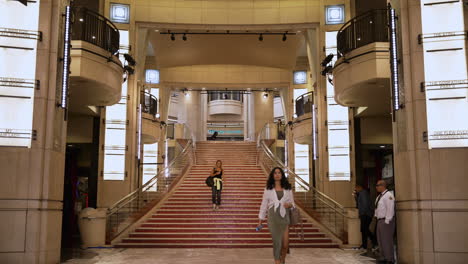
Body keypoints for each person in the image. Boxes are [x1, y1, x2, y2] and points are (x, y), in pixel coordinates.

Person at [258, 167, 295, 264]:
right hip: (273, 217)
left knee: (285, 244)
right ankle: (277, 261)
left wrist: (289, 205)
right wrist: (261, 220)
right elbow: (264, 204)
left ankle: (282, 259)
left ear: (282, 175)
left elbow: (292, 203)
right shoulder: (268, 189)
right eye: (275, 173)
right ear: (272, 175)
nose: (277, 174)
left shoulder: (288, 188)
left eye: (279, 173)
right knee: (277, 242)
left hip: (284, 216)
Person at [375, 180, 395, 264]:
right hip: (379, 220)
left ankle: (389, 259)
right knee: (380, 240)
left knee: (387, 240)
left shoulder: (388, 195)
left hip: (386, 221)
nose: (376, 187)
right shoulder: (379, 196)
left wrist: (387, 221)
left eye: (377, 185)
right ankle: (383, 257)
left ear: (383, 186)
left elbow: (390, 209)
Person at [353, 184, 375, 250]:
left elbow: (365, 204)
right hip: (364, 214)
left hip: (366, 214)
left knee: (364, 229)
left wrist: (363, 213)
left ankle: (374, 240)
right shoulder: (360, 194)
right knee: (363, 230)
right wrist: (356, 197)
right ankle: (364, 245)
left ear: (359, 187)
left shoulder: (364, 193)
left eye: (356, 188)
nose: (355, 190)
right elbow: (358, 205)